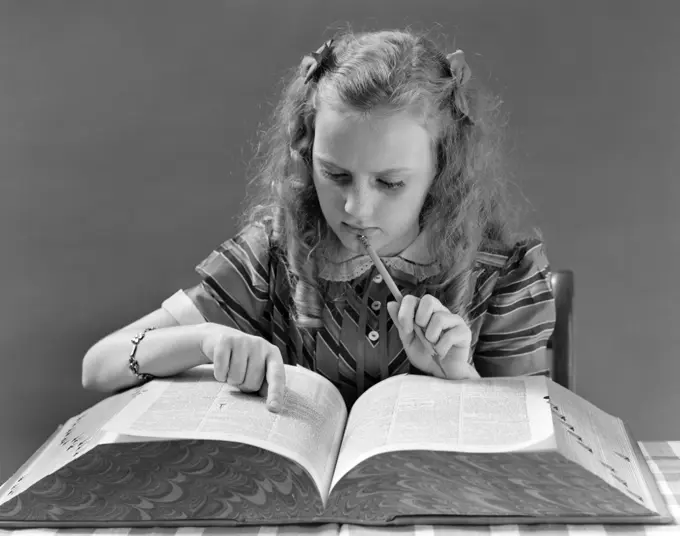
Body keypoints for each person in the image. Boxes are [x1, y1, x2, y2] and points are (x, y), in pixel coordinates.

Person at [81, 28, 556, 414]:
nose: (355, 210)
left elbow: (532, 452)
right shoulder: (273, 255)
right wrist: (206, 340)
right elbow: (98, 365)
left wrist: (460, 378)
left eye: (390, 184)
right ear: (308, 156)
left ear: (443, 167)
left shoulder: (502, 275)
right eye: (335, 174)